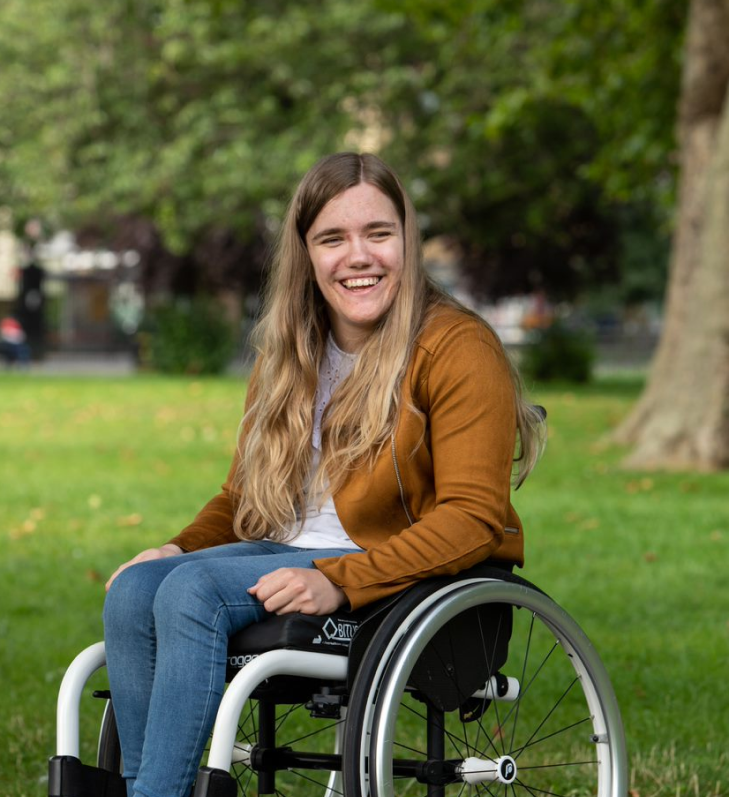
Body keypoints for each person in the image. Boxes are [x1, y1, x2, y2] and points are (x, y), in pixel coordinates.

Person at [103, 152, 544, 797]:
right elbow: (241, 498)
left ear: (407, 242)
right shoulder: (291, 351)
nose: (357, 256)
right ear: (306, 253)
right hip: (285, 553)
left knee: (190, 594)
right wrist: (176, 547)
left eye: (378, 234)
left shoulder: (456, 346)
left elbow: (474, 519)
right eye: (333, 238)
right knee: (137, 589)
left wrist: (341, 581)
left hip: (395, 575)